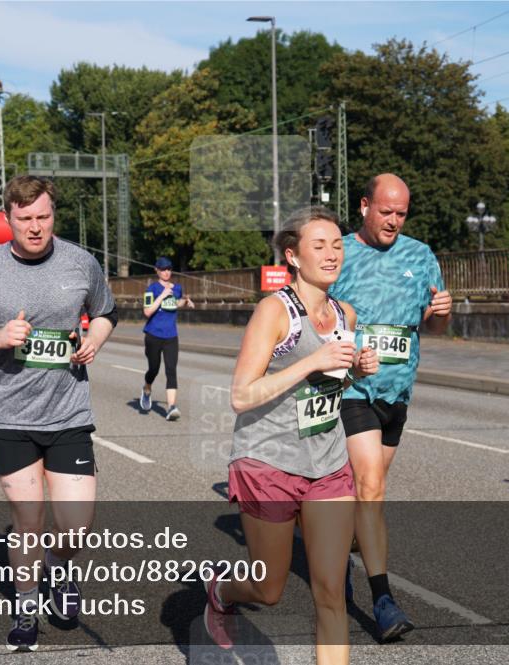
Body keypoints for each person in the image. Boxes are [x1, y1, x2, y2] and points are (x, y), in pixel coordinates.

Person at [0, 175, 117, 651]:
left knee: (77, 525)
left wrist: (95, 340)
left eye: (43, 217)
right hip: (7, 415)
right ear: (7, 219)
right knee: (28, 517)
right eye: (25, 220)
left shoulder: (80, 261)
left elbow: (106, 311)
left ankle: (60, 568)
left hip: (68, 412)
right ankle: (26, 605)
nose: (35, 228)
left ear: (52, 214)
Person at [204, 206, 378, 664]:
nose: (331, 253)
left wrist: (354, 370)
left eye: (337, 244)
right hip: (268, 463)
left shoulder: (346, 315)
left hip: (328, 466)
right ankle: (221, 591)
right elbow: (242, 395)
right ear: (293, 256)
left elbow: (328, 385)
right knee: (270, 588)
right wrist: (311, 361)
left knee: (331, 593)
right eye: (318, 245)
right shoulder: (275, 311)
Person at [326, 174, 451, 641]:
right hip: (351, 389)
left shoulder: (420, 256)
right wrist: (346, 352)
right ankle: (381, 600)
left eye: (401, 214)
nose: (394, 221)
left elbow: (431, 327)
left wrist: (442, 315)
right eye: (386, 212)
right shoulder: (337, 252)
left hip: (398, 395)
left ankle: (333, 552)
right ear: (364, 206)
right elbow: (314, 317)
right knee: (370, 487)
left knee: (365, 497)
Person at [139, 256, 194, 420]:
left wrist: (185, 303)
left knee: (171, 370)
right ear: (157, 270)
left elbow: (174, 304)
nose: (166, 272)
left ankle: (171, 407)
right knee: (154, 369)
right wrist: (161, 296)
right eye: (163, 269)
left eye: (169, 269)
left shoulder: (177, 288)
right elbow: (147, 311)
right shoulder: (152, 289)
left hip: (171, 336)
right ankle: (147, 389)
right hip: (153, 335)